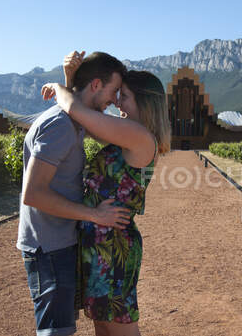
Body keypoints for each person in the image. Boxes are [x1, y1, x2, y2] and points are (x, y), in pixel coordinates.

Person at [42, 51, 171, 336]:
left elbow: (79, 112)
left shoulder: (139, 137)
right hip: (101, 243)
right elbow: (83, 120)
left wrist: (61, 87)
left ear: (144, 102)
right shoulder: (127, 133)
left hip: (113, 247)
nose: (116, 101)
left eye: (123, 96)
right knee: (103, 324)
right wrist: (71, 81)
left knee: (119, 327)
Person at [17, 52, 132, 336]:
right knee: (56, 332)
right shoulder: (60, 125)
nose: (114, 100)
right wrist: (95, 214)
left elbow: (77, 105)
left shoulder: (74, 122)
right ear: (95, 84)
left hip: (58, 242)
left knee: (62, 328)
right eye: (113, 91)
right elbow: (33, 194)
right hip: (49, 246)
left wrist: (66, 82)